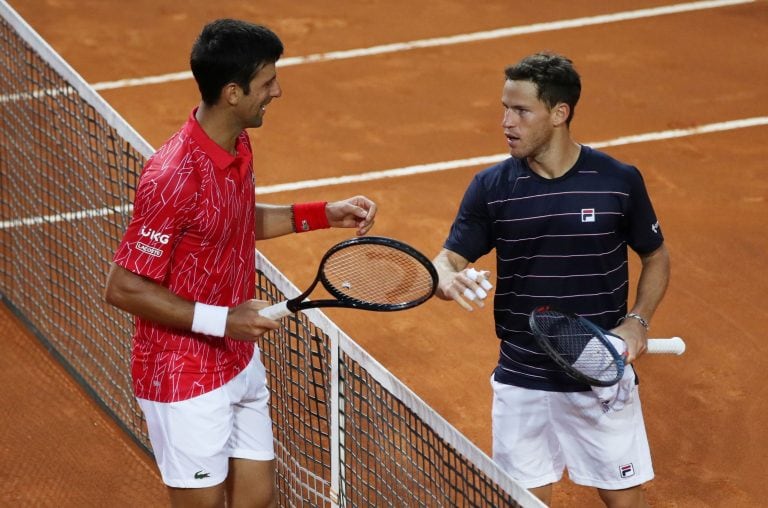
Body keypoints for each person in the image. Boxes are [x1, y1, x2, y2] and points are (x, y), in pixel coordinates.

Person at [103, 19, 376, 508]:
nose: (278, 90)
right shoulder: (172, 177)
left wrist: (321, 215)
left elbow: (231, 219)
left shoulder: (236, 145)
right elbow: (123, 288)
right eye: (267, 81)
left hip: (237, 358)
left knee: (257, 500)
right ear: (233, 92)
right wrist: (225, 320)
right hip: (182, 373)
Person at [432, 52, 669, 507]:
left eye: (521, 110)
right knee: (523, 501)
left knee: (624, 501)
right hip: (522, 377)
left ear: (560, 114)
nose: (506, 121)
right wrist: (445, 279)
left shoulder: (617, 181)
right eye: (505, 107)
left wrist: (638, 320)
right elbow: (448, 260)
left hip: (599, 372)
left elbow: (655, 255)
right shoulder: (492, 186)